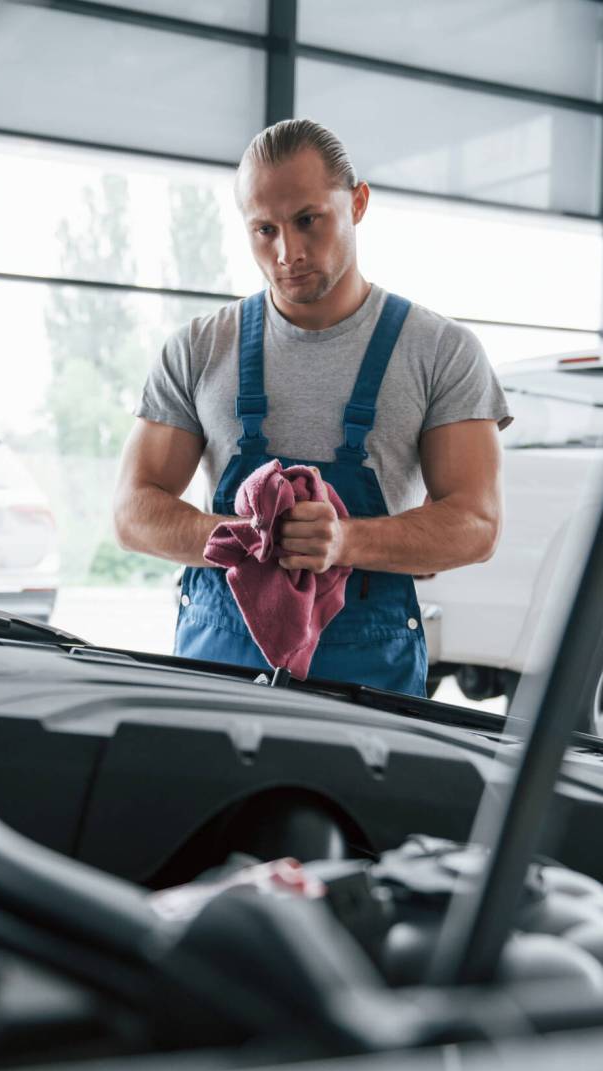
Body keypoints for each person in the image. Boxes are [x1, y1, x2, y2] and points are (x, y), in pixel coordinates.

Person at [114, 119, 511, 697]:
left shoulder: (441, 352)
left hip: (368, 677)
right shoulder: (199, 348)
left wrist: (344, 542)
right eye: (264, 230)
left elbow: (477, 523)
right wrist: (246, 539)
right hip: (218, 671)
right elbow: (132, 512)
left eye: (308, 221)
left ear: (357, 202)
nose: (288, 253)